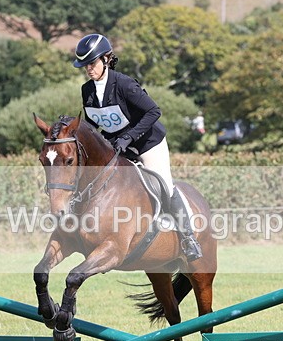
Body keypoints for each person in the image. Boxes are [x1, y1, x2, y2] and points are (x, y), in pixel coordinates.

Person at [72, 33, 202, 261]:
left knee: (165, 185)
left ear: (106, 59)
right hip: (118, 146)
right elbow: (94, 123)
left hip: (147, 142)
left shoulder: (124, 84)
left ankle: (188, 237)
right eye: (85, 66)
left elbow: (154, 112)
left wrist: (129, 137)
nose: (89, 69)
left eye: (92, 63)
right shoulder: (87, 90)